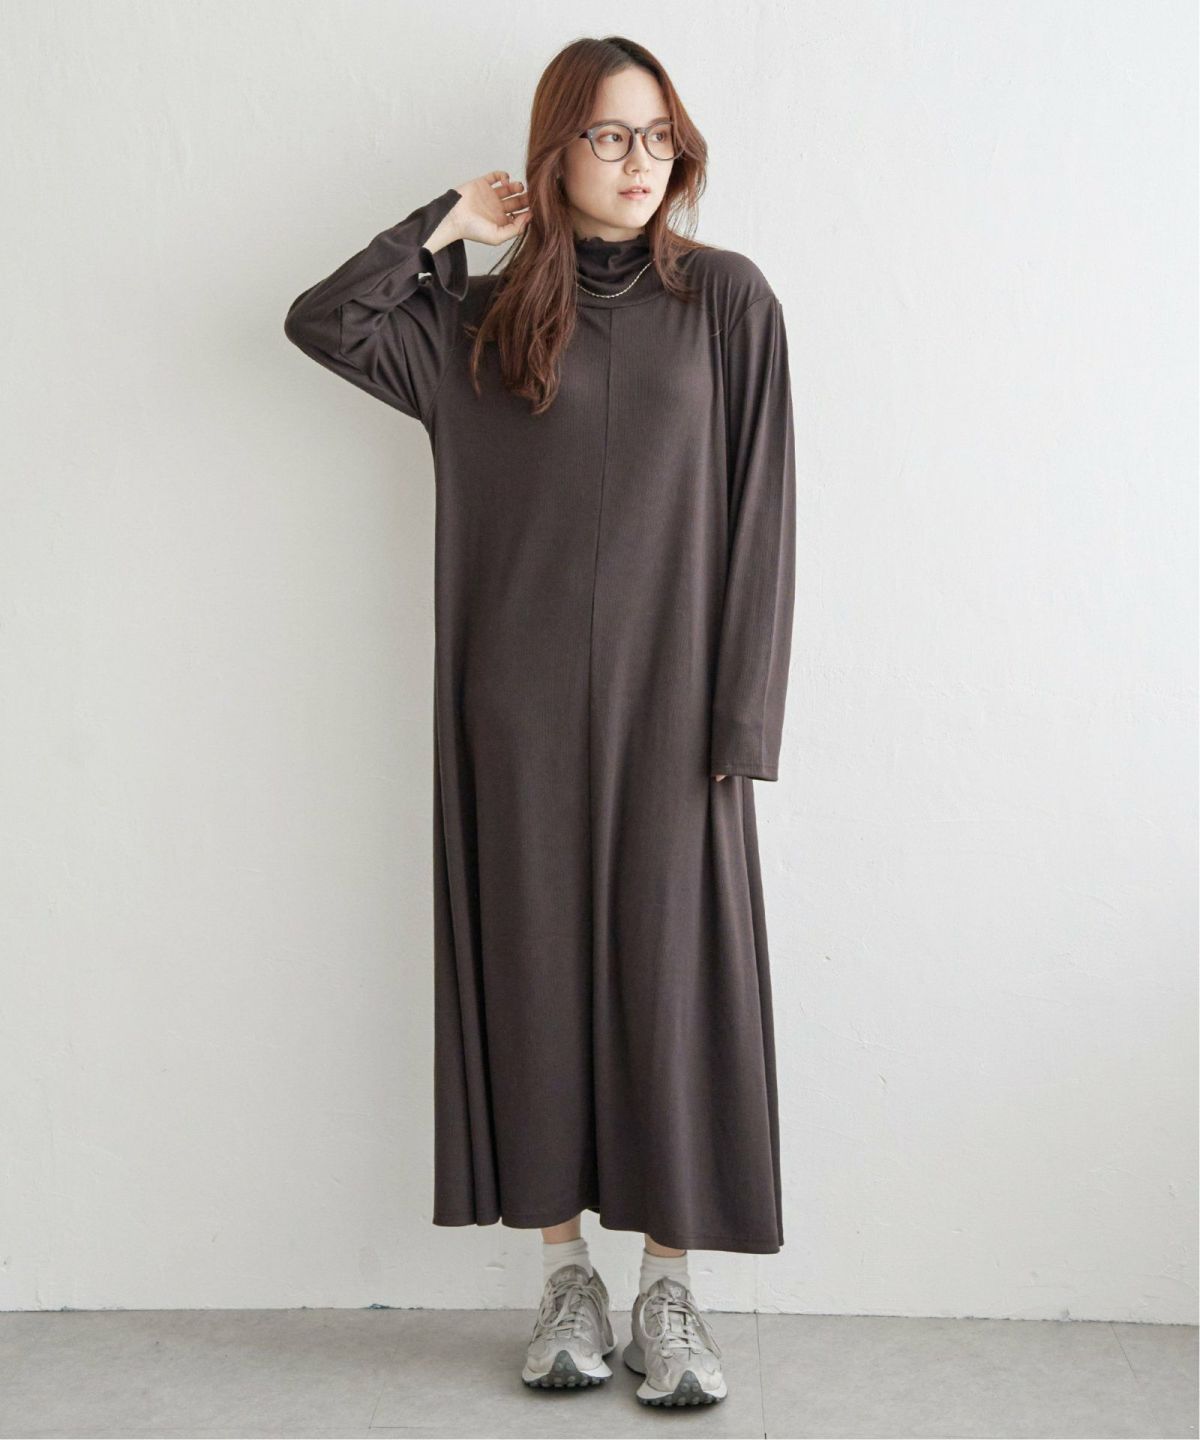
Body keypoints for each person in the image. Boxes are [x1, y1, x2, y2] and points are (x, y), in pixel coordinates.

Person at [284, 34, 796, 1409]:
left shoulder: (727, 301)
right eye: (610, 135)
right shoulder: (477, 321)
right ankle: (565, 1278)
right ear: (556, 149)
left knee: (673, 993)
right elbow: (324, 322)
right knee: (534, 984)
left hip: (675, 721)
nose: (640, 162)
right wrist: (447, 223)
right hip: (513, 720)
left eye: (659, 136)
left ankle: (668, 1286)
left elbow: (764, 510)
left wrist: (743, 719)